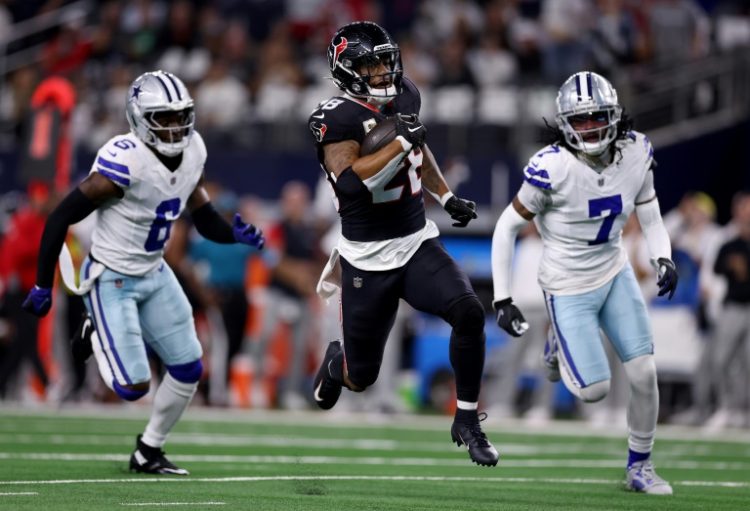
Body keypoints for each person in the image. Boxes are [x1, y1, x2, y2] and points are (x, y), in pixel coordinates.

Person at [21, 70, 265, 475]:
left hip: (154, 271)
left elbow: (201, 215)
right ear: (139, 119)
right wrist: (43, 283)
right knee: (131, 387)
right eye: (163, 118)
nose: (175, 127)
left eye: (180, 116)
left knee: (189, 368)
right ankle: (94, 325)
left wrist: (231, 233)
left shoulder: (194, 152)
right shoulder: (125, 162)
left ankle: (148, 449)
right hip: (111, 277)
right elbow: (60, 216)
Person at [308, 21, 498, 467]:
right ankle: (338, 366)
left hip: (414, 242)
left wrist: (446, 195)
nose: (380, 71)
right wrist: (397, 142)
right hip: (367, 259)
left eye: (383, 60)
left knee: (469, 313)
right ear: (346, 70)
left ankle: (467, 419)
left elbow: (418, 147)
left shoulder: (404, 95)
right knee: (363, 377)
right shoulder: (333, 118)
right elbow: (352, 184)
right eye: (368, 64)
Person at [491, 71, 679, 493]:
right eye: (580, 120)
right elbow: (505, 228)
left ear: (614, 116)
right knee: (594, 391)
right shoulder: (551, 167)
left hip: (614, 271)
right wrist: (502, 298)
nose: (590, 127)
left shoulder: (636, 151)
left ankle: (640, 466)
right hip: (567, 284)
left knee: (644, 373)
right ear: (564, 124)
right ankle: (557, 337)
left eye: (597, 117)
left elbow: (648, 210)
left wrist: (662, 254)